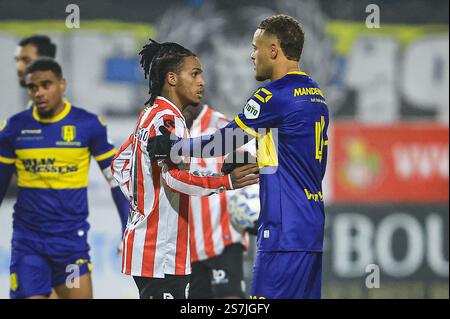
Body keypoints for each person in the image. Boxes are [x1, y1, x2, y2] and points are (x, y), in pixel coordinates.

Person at [147, 14, 329, 299]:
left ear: (274, 50)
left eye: (256, 47)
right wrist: (250, 160)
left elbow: (223, 140)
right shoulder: (315, 96)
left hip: (282, 231)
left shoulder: (272, 96)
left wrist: (174, 147)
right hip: (310, 228)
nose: (252, 55)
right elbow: (290, 157)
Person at [110, 39, 259, 299]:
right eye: (194, 74)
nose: (202, 81)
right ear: (172, 78)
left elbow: (119, 164)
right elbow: (174, 180)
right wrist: (226, 181)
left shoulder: (150, 114)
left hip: (149, 245)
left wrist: (143, 206)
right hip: (162, 251)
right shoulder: (169, 120)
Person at [0, 58, 130, 299]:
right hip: (29, 243)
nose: (38, 92)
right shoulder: (14, 129)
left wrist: (127, 228)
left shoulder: (88, 125)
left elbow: (116, 180)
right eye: (32, 87)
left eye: (45, 85)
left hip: (71, 245)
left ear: (62, 84)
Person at [183, 104, 252, 299]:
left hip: (223, 240)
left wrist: (255, 204)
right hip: (188, 249)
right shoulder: (167, 128)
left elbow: (253, 164)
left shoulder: (219, 124)